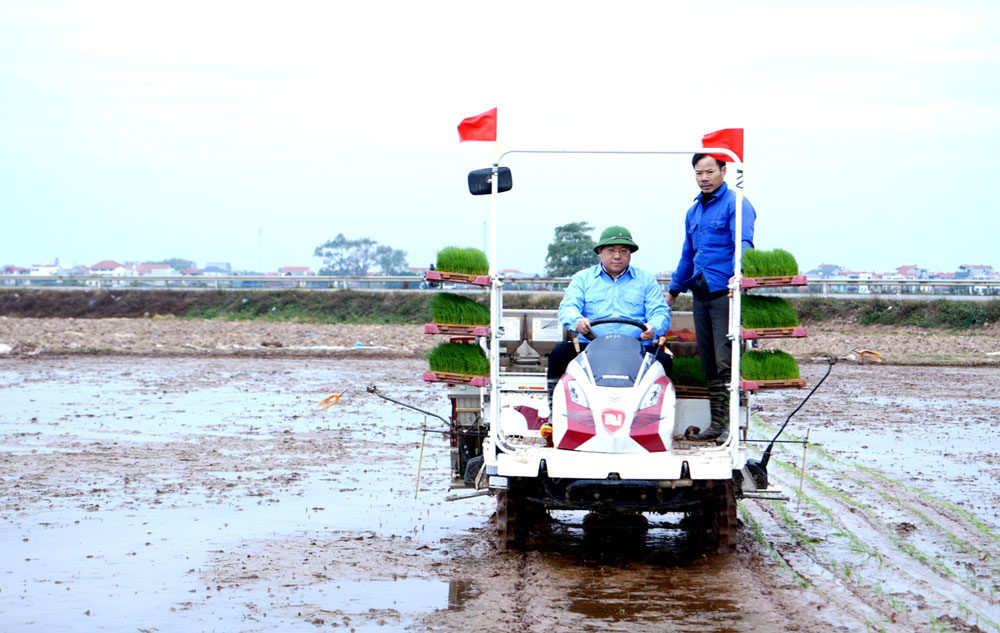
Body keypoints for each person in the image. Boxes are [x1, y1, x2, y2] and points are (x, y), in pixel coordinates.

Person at [667, 154, 756, 442]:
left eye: (709, 171)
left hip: (724, 292)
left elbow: (743, 243)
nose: (703, 177)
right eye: (698, 173)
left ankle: (729, 425)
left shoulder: (736, 204)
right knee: (707, 361)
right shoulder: (693, 212)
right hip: (700, 293)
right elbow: (687, 255)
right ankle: (716, 424)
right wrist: (673, 291)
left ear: (723, 171)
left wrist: (738, 273)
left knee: (725, 360)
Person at [547, 225, 672, 402]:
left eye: (623, 251)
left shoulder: (647, 280)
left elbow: (660, 312)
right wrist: (577, 321)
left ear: (630, 254)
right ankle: (555, 414)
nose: (617, 256)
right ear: (600, 251)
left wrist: (653, 327)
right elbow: (568, 307)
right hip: (589, 348)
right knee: (560, 353)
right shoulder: (582, 278)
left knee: (664, 360)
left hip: (636, 348)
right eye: (611, 250)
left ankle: (653, 419)